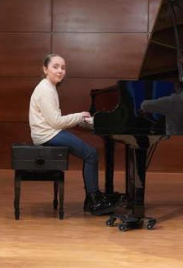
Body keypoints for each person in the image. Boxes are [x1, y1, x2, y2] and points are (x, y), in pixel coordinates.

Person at [29, 54, 118, 215]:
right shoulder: (46, 89)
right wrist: (79, 116)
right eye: (55, 67)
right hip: (47, 135)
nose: (60, 71)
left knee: (90, 153)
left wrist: (83, 120)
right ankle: (94, 200)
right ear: (45, 69)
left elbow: (55, 120)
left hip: (49, 132)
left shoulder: (49, 87)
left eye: (63, 67)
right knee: (91, 154)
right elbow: (56, 122)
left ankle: (92, 198)